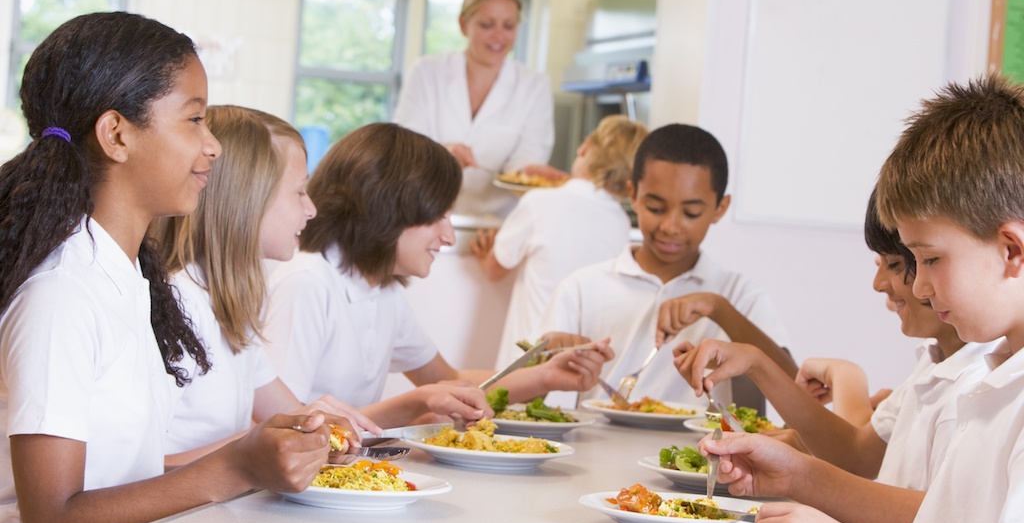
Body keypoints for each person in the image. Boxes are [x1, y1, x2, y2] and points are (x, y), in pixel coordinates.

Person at [0, 12, 352, 523]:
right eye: (193, 120)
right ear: (116, 134)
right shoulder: (64, 294)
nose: (212, 146)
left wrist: (258, 451)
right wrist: (237, 467)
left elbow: (127, 479)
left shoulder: (126, 276)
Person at [695, 75, 1024, 523]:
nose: (919, 287)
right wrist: (799, 474)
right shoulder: (995, 375)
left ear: (1012, 250)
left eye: (931, 259)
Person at [264, 122, 613, 429]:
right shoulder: (308, 283)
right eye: (438, 216)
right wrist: (413, 406)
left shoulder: (380, 290)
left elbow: (450, 381)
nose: (448, 236)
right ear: (387, 208)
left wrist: (545, 376)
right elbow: (282, 426)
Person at [675, 188, 996, 488]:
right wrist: (757, 364)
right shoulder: (933, 360)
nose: (878, 283)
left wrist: (798, 477)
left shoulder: (982, 381)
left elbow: (921, 518)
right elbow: (854, 455)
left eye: (896, 264)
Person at [152, 105, 382, 466]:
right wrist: (265, 440)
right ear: (248, 198)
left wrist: (315, 431)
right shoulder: (175, 304)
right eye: (299, 192)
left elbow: (289, 419)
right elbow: (137, 473)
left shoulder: (231, 305)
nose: (312, 210)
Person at [539, 123, 794, 409]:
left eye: (691, 213)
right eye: (656, 208)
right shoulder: (582, 288)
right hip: (593, 450)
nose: (671, 226)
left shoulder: (738, 294)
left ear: (719, 209)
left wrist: (719, 309)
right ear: (633, 195)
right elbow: (527, 394)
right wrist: (547, 355)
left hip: (701, 452)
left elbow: (795, 386)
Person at [470, 115, 649, 367]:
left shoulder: (539, 201)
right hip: (582, 362)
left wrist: (485, 253)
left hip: (531, 357)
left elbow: (494, 268)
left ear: (584, 148)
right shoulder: (620, 221)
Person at [392, 0, 559, 217]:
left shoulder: (534, 85)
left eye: (508, 26)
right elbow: (406, 146)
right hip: (424, 216)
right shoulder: (427, 72)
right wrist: (443, 154)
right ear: (463, 25)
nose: (498, 37)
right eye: (487, 25)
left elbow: (525, 158)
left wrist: (530, 172)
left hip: (496, 226)